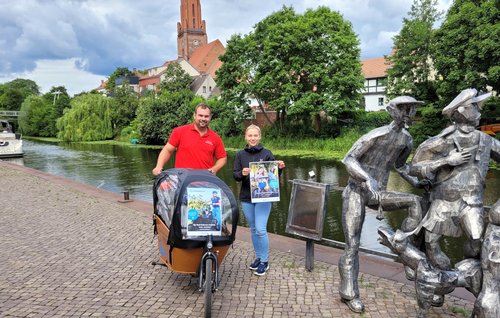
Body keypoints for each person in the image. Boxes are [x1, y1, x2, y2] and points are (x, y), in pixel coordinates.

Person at [339, 96, 425, 313]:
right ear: (392, 110)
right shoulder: (376, 134)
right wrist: (366, 178)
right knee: (353, 245)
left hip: (379, 195)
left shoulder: (406, 140)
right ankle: (349, 293)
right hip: (356, 192)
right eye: (404, 109)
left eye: (412, 110)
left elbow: (400, 166)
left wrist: (417, 182)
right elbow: (349, 159)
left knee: (415, 202)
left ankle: (404, 248)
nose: (408, 114)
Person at [409, 89, 499, 270]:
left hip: (471, 202)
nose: (479, 112)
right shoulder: (442, 141)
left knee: (476, 241)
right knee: (431, 243)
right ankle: (442, 279)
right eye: (475, 107)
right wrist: (446, 161)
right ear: (462, 111)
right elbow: (414, 168)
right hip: (443, 202)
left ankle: (465, 273)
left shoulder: (486, 140)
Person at [233, 124, 285, 276]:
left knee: (261, 229)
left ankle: (264, 261)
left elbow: (273, 177)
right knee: (254, 229)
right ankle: (258, 257)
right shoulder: (240, 155)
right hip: (246, 197)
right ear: (246, 137)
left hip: (263, 198)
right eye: (250, 136)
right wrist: (242, 173)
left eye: (255, 136)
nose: (253, 138)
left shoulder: (267, 153)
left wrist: (279, 168)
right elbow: (235, 176)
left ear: (259, 137)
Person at [152, 103, 227, 176]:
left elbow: (222, 158)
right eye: (200, 115)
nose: (203, 119)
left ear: (210, 117)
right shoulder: (179, 131)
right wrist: (159, 166)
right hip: (182, 179)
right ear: (194, 115)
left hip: (205, 180)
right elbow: (168, 150)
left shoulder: (216, 138)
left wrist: (214, 169)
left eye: (206, 116)